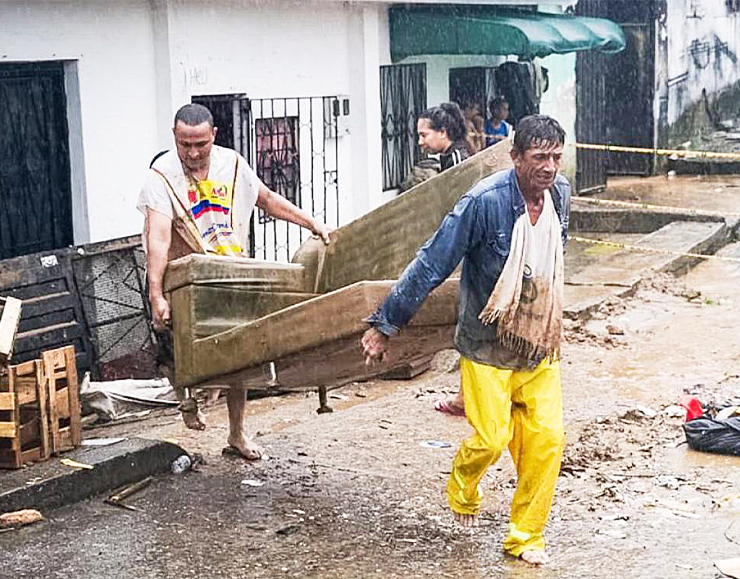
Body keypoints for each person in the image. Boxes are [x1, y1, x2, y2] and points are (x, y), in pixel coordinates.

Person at [361, 115, 570, 566]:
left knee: (548, 440)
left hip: (538, 342)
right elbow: (432, 264)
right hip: (486, 344)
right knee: (492, 440)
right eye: (539, 158)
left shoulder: (561, 195)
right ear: (515, 158)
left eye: (556, 157)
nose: (550, 168)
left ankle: (525, 537)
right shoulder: (483, 202)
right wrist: (385, 324)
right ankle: (462, 484)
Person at [138, 103, 332, 460]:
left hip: (228, 270)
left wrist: (312, 223)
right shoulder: (161, 175)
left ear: (214, 136)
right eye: (184, 145)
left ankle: (237, 434)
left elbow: (267, 199)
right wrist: (156, 295)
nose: (193, 154)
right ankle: (188, 400)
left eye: (200, 144)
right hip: (184, 277)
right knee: (181, 351)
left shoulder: (234, 164)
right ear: (174, 138)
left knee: (237, 355)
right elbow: (158, 238)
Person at [418, 103, 471, 172]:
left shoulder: (457, 160)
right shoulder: (447, 158)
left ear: (442, 132)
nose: (420, 142)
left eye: (424, 135)